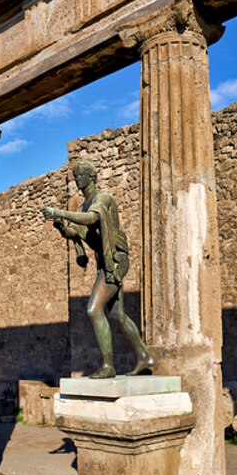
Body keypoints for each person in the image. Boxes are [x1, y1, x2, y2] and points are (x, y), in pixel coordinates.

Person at [41, 159, 155, 379]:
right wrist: (61, 226)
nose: (77, 180)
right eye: (76, 176)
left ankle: (108, 366)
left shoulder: (102, 198)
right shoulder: (84, 205)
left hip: (114, 259)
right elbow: (78, 232)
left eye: (80, 175)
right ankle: (144, 356)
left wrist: (62, 212)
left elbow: (93, 218)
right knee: (118, 314)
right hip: (106, 261)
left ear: (91, 177)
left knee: (94, 310)